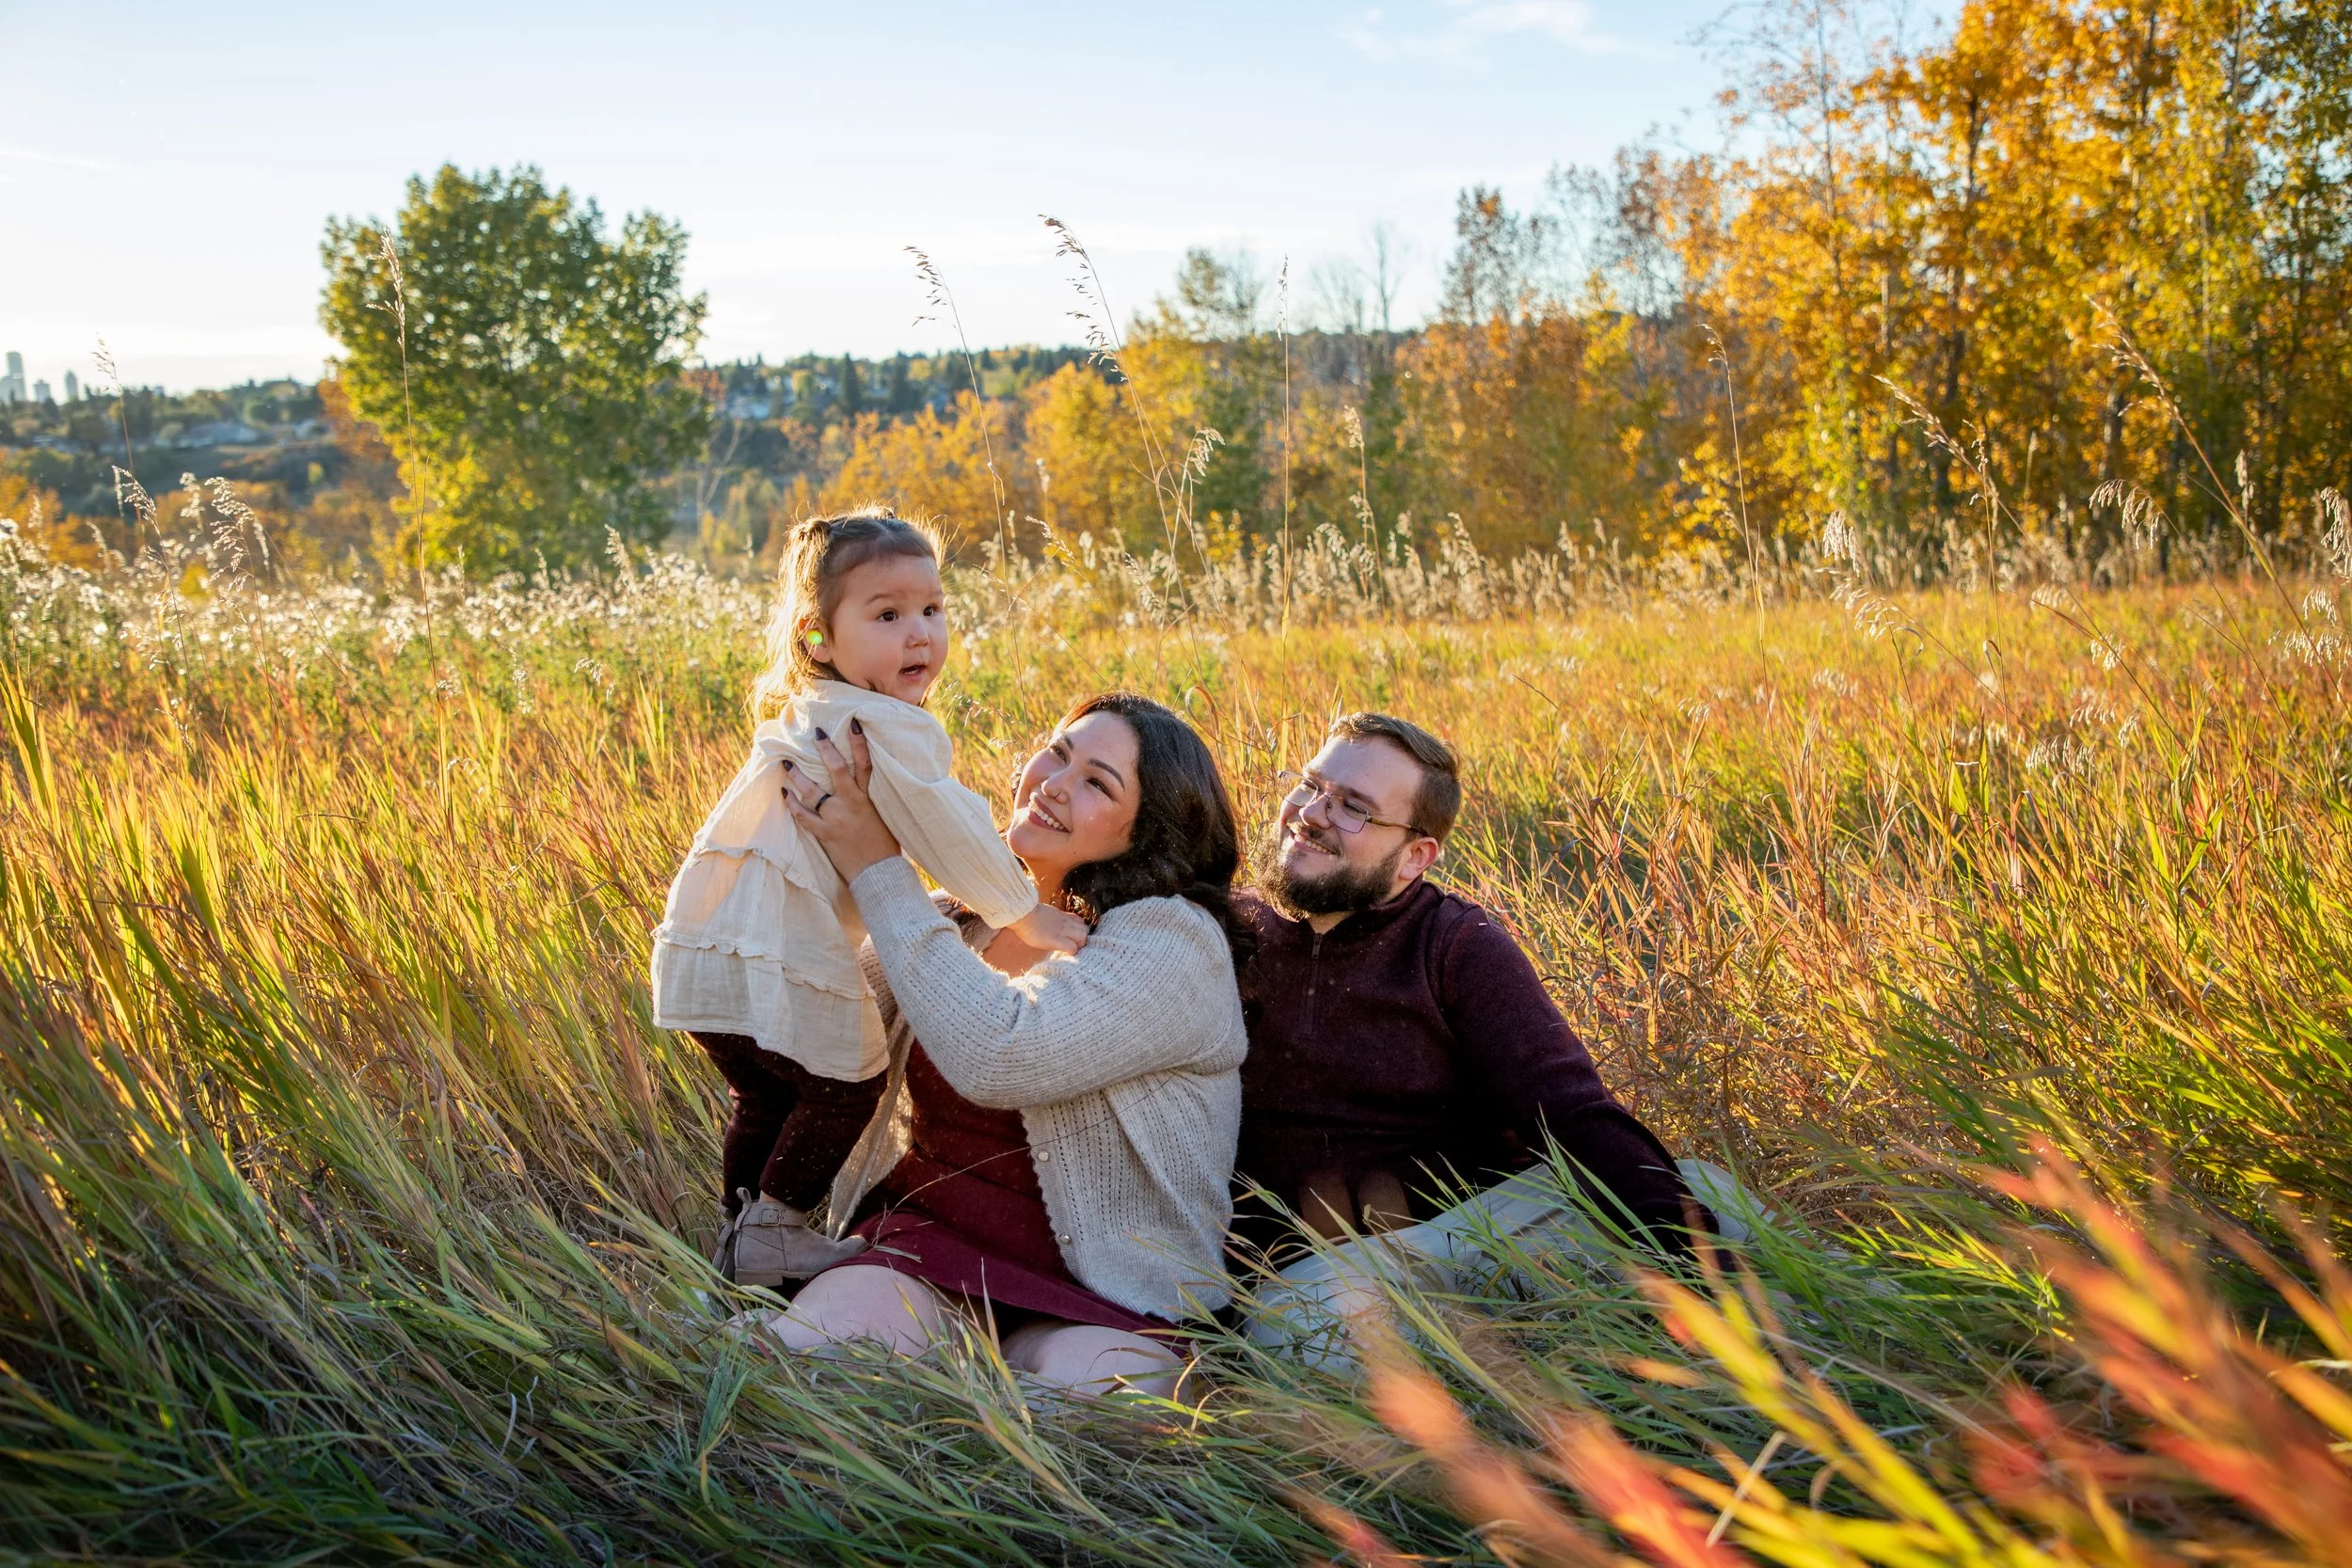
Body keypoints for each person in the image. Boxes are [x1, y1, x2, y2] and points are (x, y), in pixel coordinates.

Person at [755, 692, 1252, 1402]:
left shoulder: (1173, 942)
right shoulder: (952, 924)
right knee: (811, 1363)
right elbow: (809, 1035)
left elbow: (1002, 1053)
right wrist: (819, 849)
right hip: (930, 1245)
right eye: (1058, 750)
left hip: (1111, 1289)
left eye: (1096, 782)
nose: (1053, 781)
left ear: (1149, 833)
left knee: (1081, 1411)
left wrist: (878, 869)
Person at [649, 512, 1089, 1288]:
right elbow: (951, 828)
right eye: (887, 615)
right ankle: (776, 1231)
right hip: (778, 949)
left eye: (932, 610)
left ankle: (739, 1238)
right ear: (818, 636)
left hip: (713, 945)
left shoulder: (817, 709)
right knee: (847, 1082)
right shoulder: (879, 724)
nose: (919, 635)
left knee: (767, 1093)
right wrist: (1027, 912)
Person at [1234, 712, 1721, 1360]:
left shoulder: (1454, 948)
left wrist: (1709, 1287)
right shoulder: (1232, 934)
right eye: (1311, 784)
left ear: (1414, 857)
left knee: (1705, 1213)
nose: (1312, 813)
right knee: (1290, 1325)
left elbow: (1570, 1112)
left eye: (1354, 807)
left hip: (1476, 1232)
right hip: (1320, 1275)